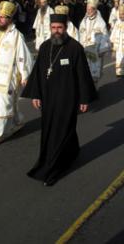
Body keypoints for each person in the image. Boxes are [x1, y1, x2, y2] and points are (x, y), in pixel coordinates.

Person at [22, 13, 96, 186]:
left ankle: (52, 170)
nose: (56, 31)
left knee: (60, 131)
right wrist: (36, 94)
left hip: (67, 98)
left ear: (66, 28)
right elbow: (38, 73)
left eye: (59, 28)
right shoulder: (45, 47)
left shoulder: (75, 48)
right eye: (53, 28)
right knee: (50, 130)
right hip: (48, 98)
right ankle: (72, 151)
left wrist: (84, 99)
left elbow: (82, 75)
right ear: (50, 28)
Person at [0, 1, 34, 145]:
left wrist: (25, 74)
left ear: (10, 19)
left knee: (3, 104)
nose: (0, 19)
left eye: (4, 17)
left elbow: (23, 56)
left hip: (9, 76)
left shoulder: (16, 36)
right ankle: (16, 122)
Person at [78, 0, 110, 89]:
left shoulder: (101, 23)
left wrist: (102, 49)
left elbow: (105, 37)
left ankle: (94, 88)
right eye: (87, 9)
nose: (88, 11)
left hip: (95, 50)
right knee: (84, 70)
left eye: (90, 9)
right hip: (85, 48)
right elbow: (80, 34)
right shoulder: (84, 21)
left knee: (94, 71)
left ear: (95, 9)